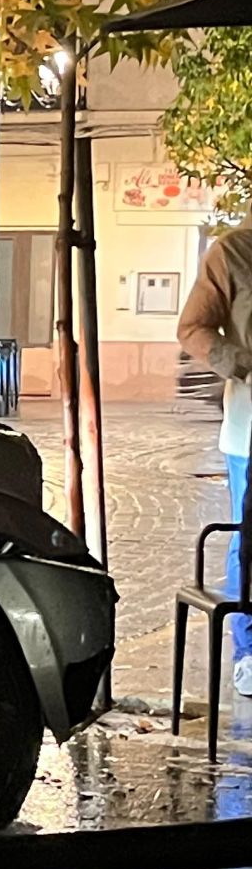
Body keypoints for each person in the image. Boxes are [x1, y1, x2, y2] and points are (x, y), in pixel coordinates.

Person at [178, 218, 252, 694]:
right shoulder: (233, 252)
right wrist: (241, 363)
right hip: (250, 429)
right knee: (248, 539)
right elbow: (193, 327)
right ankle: (248, 651)